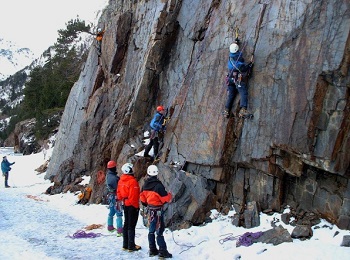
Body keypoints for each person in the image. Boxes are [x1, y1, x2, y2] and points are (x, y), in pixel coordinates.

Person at [140, 165, 172, 258]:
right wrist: (169, 195)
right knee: (159, 231)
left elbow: (142, 198)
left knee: (151, 230)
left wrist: (146, 204)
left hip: (150, 210)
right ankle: (162, 252)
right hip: (158, 211)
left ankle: (152, 250)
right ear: (157, 173)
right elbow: (165, 199)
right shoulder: (159, 186)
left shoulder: (145, 185)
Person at [223, 40, 253, 118]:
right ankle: (243, 110)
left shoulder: (231, 56)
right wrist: (250, 63)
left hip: (230, 79)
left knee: (231, 94)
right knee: (243, 92)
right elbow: (245, 68)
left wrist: (235, 42)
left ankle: (226, 110)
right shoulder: (238, 63)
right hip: (237, 79)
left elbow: (234, 48)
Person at [117, 163, 141, 252]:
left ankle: (125, 244)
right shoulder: (132, 181)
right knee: (131, 225)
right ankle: (131, 246)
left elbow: (118, 194)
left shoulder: (121, 180)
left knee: (126, 223)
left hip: (125, 204)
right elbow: (134, 196)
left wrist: (125, 201)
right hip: (131, 205)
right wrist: (135, 206)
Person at [105, 160, 123, 236]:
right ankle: (119, 230)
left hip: (110, 196)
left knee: (111, 211)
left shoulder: (108, 176)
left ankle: (110, 227)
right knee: (119, 213)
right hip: (116, 196)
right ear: (114, 168)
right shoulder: (115, 178)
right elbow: (119, 188)